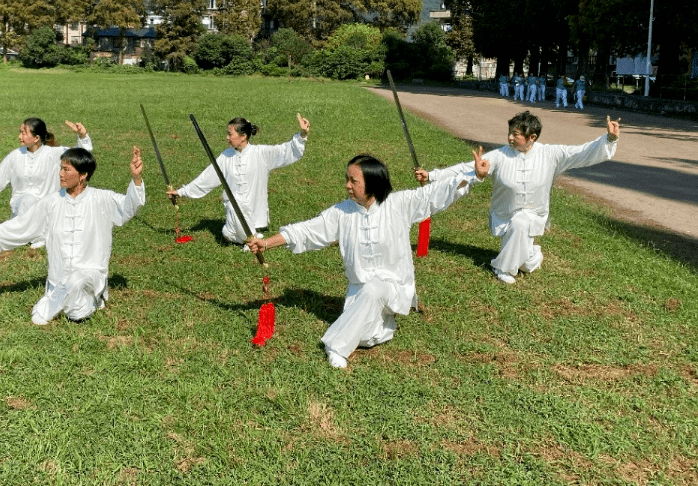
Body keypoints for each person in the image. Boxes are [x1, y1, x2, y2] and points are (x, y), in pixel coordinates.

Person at [248, 150, 489, 368]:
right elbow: (307, 230)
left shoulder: (399, 204)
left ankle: (335, 347)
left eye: (354, 181)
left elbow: (437, 192)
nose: (347, 185)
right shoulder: (341, 212)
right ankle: (378, 325)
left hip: (394, 287)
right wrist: (266, 243)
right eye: (348, 179)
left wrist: (474, 175)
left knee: (374, 292)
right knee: (367, 338)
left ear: (372, 184)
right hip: (359, 291)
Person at [417, 111, 620, 285]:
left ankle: (501, 268)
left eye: (515, 135)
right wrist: (433, 175)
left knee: (522, 222)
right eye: (509, 133)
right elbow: (465, 169)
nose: (510, 139)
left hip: (533, 214)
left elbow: (581, 152)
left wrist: (609, 139)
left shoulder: (551, 154)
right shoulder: (500, 155)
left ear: (532, 137)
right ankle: (531, 255)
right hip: (504, 215)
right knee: (526, 263)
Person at [0, 147, 145, 324]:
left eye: (66, 169)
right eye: (60, 168)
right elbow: (21, 226)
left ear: (83, 175)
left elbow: (129, 206)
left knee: (76, 302)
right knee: (38, 317)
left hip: (91, 276)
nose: (60, 174)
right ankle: (60, 299)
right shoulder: (51, 202)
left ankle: (92, 299)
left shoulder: (102, 199)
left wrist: (136, 179)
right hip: (59, 281)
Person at [168, 114, 310, 245]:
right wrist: (181, 192)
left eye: (230, 134)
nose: (227, 138)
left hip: (252, 209)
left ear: (243, 136)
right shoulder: (225, 156)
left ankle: (251, 237)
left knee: (236, 217)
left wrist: (303, 134)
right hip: (232, 210)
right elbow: (206, 178)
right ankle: (252, 238)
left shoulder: (261, 153)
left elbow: (286, 150)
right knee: (227, 234)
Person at [0, 118, 93, 247]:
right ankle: (27, 233)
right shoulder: (15, 156)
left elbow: (81, 155)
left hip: (48, 210)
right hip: (21, 208)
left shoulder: (53, 154)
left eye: (23, 133)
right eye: (20, 132)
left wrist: (82, 136)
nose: (19, 137)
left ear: (36, 138)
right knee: (27, 200)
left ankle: (40, 234)